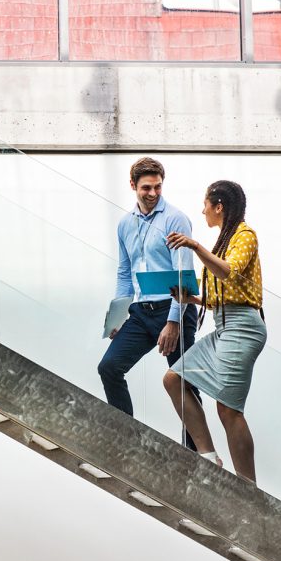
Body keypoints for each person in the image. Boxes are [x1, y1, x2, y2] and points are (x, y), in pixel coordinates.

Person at [163, 180, 265, 482]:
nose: (202, 210)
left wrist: (195, 245)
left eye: (205, 204)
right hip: (223, 324)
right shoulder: (226, 237)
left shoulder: (245, 235)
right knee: (173, 379)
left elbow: (228, 271)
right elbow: (223, 291)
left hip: (243, 327)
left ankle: (248, 486)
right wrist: (191, 298)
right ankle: (207, 456)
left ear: (218, 207)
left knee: (228, 409)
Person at [97, 157, 200, 430]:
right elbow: (124, 273)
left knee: (184, 384)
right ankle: (128, 438)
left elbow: (183, 275)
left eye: (157, 187)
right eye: (146, 188)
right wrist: (117, 317)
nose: (153, 193)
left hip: (173, 309)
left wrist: (174, 322)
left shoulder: (175, 219)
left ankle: (199, 454)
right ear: (133, 185)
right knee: (109, 367)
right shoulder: (125, 224)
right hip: (141, 314)